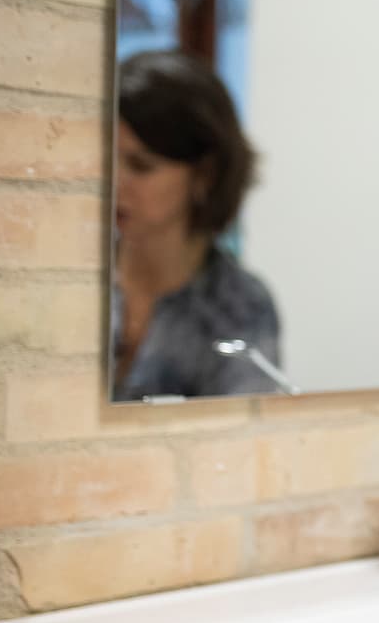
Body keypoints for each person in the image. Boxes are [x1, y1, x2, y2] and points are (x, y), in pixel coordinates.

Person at [112, 50, 282, 401]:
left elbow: (240, 444)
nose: (114, 180)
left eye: (141, 166)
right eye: (107, 157)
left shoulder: (240, 306)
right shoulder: (69, 278)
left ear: (204, 175)